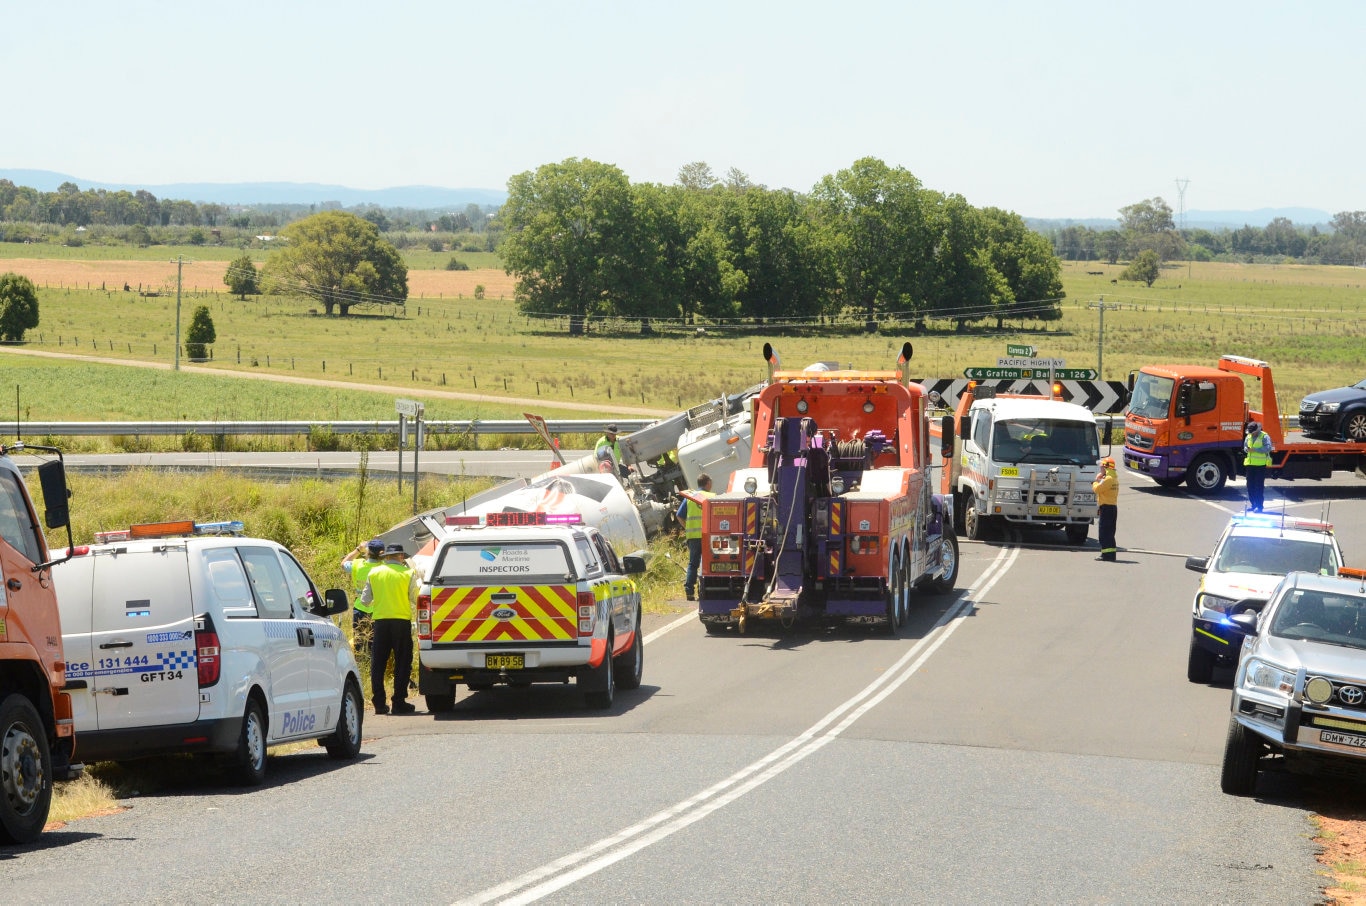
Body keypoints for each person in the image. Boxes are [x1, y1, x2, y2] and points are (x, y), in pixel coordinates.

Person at [361, 543, 418, 715]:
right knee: (402, 662)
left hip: (381, 622)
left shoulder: (374, 573)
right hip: (401, 622)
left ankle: (379, 703)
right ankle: (399, 702)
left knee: (378, 663)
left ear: (386, 557)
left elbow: (365, 600)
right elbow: (415, 597)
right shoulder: (408, 573)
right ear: (401, 557)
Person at [676, 473, 714, 601]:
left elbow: (679, 515)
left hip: (693, 536)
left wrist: (687, 527)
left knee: (693, 563)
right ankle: (709, 589)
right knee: (710, 563)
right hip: (708, 535)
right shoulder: (712, 497)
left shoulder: (689, 498)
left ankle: (689, 591)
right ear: (707, 483)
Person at [340, 538, 384, 643]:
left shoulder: (357, 564)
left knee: (358, 642)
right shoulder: (384, 567)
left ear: (367, 552)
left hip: (359, 608)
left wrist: (359, 549)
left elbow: (343, 563)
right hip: (379, 610)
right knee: (376, 644)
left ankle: (359, 659)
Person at [1092, 457, 1119, 562]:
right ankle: (1109, 555)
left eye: (1102, 467)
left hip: (1107, 508)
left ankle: (1107, 555)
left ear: (1106, 468)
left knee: (1104, 533)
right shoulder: (1113, 478)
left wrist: (1095, 481)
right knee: (1109, 532)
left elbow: (1098, 489)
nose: (1100, 469)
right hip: (1111, 507)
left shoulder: (1108, 479)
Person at [1243, 421, 1273, 512]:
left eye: (1253, 432)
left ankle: (1259, 507)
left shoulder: (1264, 436)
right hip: (1250, 465)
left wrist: (1255, 450)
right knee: (1249, 486)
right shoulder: (1248, 436)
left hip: (1260, 466)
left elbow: (1268, 448)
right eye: (1250, 432)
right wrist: (1247, 450)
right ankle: (1253, 504)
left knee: (1259, 487)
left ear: (1257, 430)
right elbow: (1245, 447)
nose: (1251, 434)